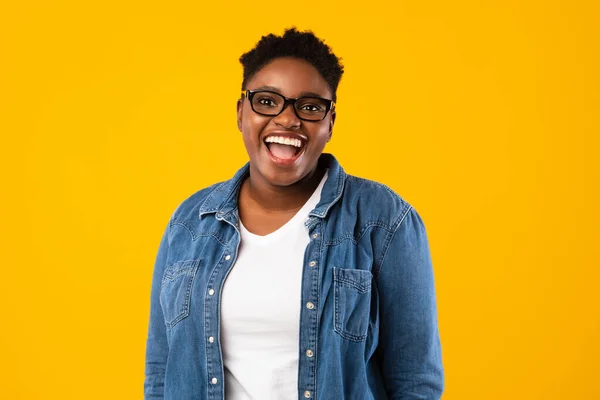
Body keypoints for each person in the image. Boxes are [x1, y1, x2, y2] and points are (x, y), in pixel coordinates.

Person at [144, 27, 444, 400]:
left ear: (330, 122)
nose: (287, 120)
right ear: (241, 113)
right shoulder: (190, 223)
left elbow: (416, 382)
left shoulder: (384, 221)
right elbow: (160, 375)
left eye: (310, 106)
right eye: (267, 101)